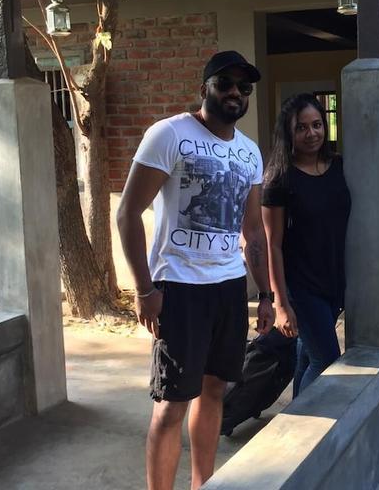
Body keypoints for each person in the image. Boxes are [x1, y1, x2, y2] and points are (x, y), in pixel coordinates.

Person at [116, 51, 277, 490]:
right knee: (172, 403)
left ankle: (203, 483)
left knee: (215, 391)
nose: (235, 93)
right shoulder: (169, 134)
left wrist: (265, 295)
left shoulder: (248, 152)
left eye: (244, 88)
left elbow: (252, 231)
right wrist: (143, 289)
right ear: (204, 86)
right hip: (179, 288)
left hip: (228, 288)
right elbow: (128, 214)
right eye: (225, 83)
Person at [261, 93, 351, 397]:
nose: (311, 133)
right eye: (301, 128)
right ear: (288, 133)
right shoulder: (279, 180)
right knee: (327, 359)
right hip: (302, 286)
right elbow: (272, 245)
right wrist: (281, 304)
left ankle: (295, 421)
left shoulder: (338, 167)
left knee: (307, 356)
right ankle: (304, 429)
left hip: (334, 281)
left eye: (317, 125)